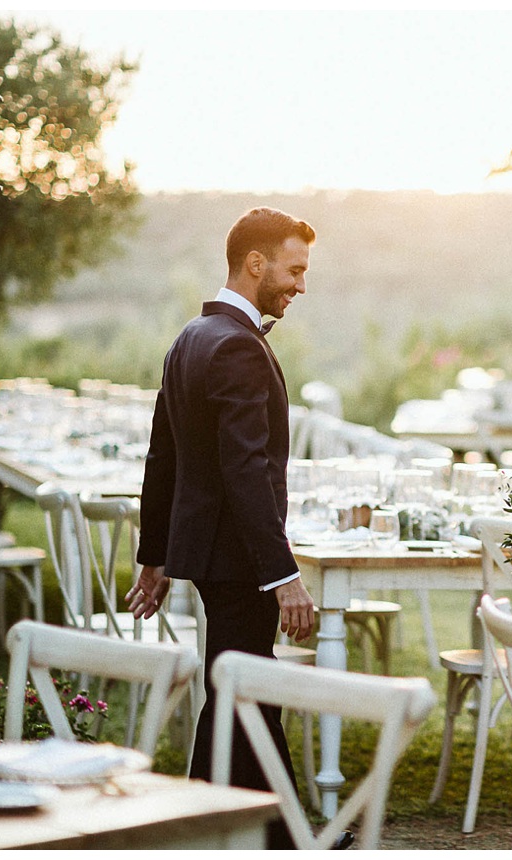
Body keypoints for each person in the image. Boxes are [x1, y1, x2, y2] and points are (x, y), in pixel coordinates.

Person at [126, 207, 327, 849]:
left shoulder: (190, 336)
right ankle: (255, 831)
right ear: (256, 263)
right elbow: (245, 471)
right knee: (243, 685)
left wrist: (154, 556)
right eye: (294, 270)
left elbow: (164, 458)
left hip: (212, 553)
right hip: (239, 557)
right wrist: (284, 575)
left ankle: (261, 830)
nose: (300, 284)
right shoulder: (237, 344)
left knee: (240, 683)